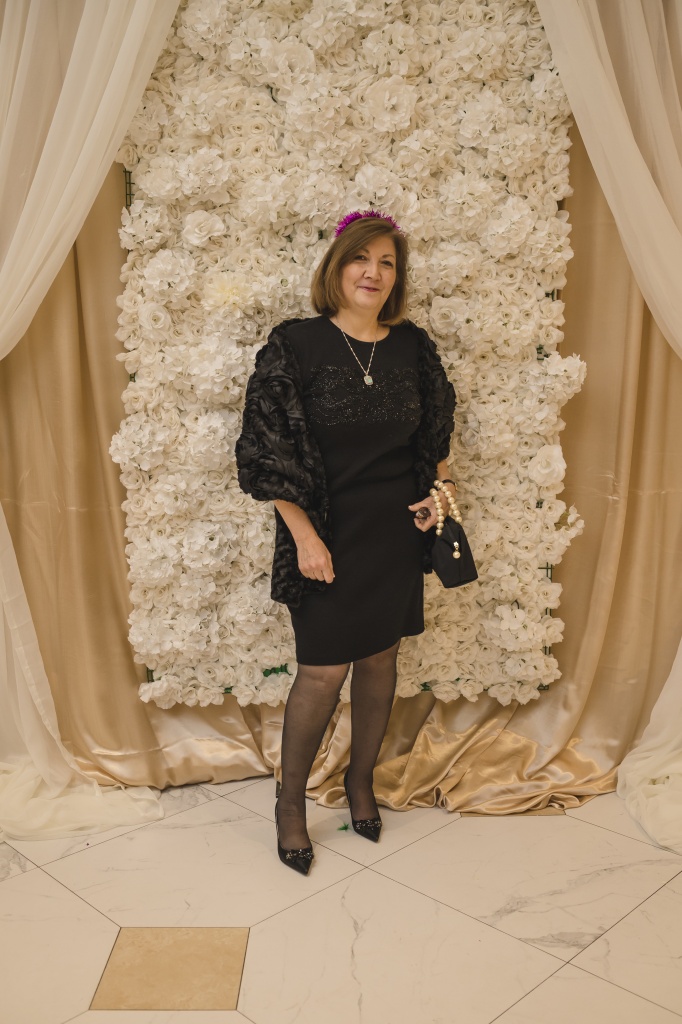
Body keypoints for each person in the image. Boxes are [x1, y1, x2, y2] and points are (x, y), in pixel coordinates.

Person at [236, 210, 457, 875]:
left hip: (394, 534)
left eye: (387, 263)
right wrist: (304, 537)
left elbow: (434, 443)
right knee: (323, 670)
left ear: (397, 277)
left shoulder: (413, 347)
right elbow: (266, 454)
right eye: (362, 258)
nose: (374, 272)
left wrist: (440, 496)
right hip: (326, 533)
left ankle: (361, 783)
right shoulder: (295, 344)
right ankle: (290, 804)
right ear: (337, 267)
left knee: (381, 660)